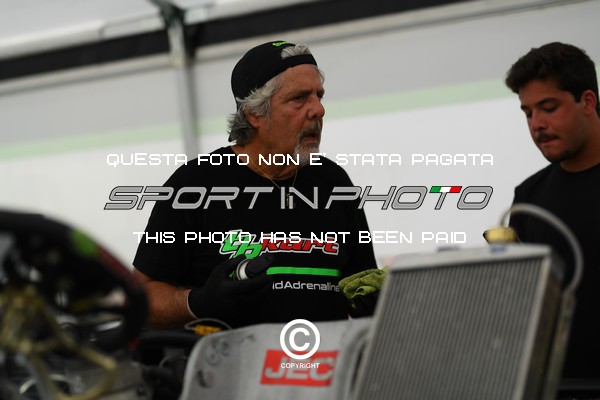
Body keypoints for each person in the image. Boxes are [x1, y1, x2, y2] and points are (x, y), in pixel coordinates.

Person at [132, 40, 378, 330]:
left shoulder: (334, 182)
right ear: (254, 113)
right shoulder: (195, 184)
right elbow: (139, 299)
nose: (318, 110)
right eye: (299, 98)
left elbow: (362, 284)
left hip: (325, 357)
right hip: (228, 358)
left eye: (319, 96)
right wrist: (197, 302)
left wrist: (377, 300)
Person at [505, 42, 600, 385]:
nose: (537, 124)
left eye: (548, 108)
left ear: (587, 102)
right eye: (528, 113)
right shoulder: (528, 198)